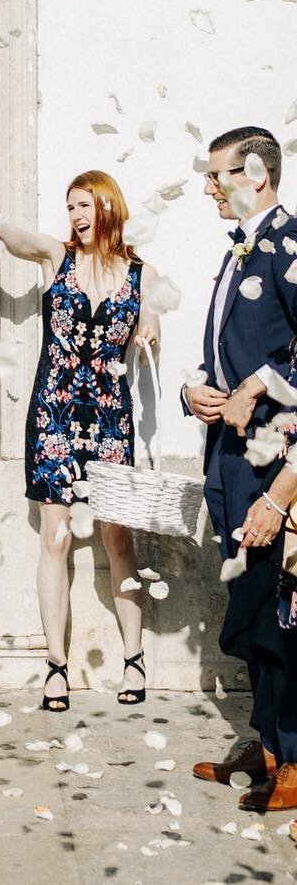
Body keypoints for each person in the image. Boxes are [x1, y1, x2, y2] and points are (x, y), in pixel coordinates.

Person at [0, 135, 158, 712]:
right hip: (55, 412)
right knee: (55, 538)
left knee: (117, 538)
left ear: (108, 205)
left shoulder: (140, 273)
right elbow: (2, 229)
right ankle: (55, 666)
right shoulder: (56, 258)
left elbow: (151, 321)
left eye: (85, 203)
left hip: (110, 418)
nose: (76, 215)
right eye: (71, 206)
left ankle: (133, 659)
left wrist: (151, 325)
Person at [182, 126, 297, 814]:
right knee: (250, 605)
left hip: (274, 459)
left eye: (218, 174)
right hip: (226, 457)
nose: (207, 187)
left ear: (254, 172)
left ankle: (294, 751)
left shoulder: (289, 242)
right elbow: (227, 351)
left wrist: (262, 381)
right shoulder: (239, 250)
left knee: (279, 607)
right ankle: (267, 739)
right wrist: (194, 390)